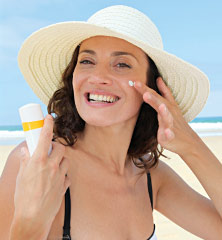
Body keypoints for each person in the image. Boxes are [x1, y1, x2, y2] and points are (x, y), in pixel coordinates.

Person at [0, 5, 222, 240]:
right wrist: (29, 224)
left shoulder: (149, 175)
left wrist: (191, 146)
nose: (97, 77)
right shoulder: (37, 164)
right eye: (86, 61)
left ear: (152, 87)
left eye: (122, 64)